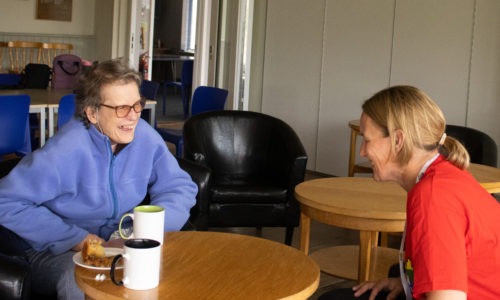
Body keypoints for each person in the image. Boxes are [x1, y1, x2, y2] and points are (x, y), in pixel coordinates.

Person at [0, 59, 198, 299]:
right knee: (84, 279)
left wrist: (147, 229)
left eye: (137, 105)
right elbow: (6, 201)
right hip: (56, 247)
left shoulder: (144, 136)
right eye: (121, 108)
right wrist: (78, 239)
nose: (133, 117)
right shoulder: (64, 151)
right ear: (92, 113)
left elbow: (179, 186)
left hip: (119, 242)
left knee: (178, 268)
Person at [319, 85, 500, 300]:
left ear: (398, 141)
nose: (362, 151)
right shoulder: (440, 177)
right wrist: (407, 284)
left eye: (367, 140)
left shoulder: (434, 198)